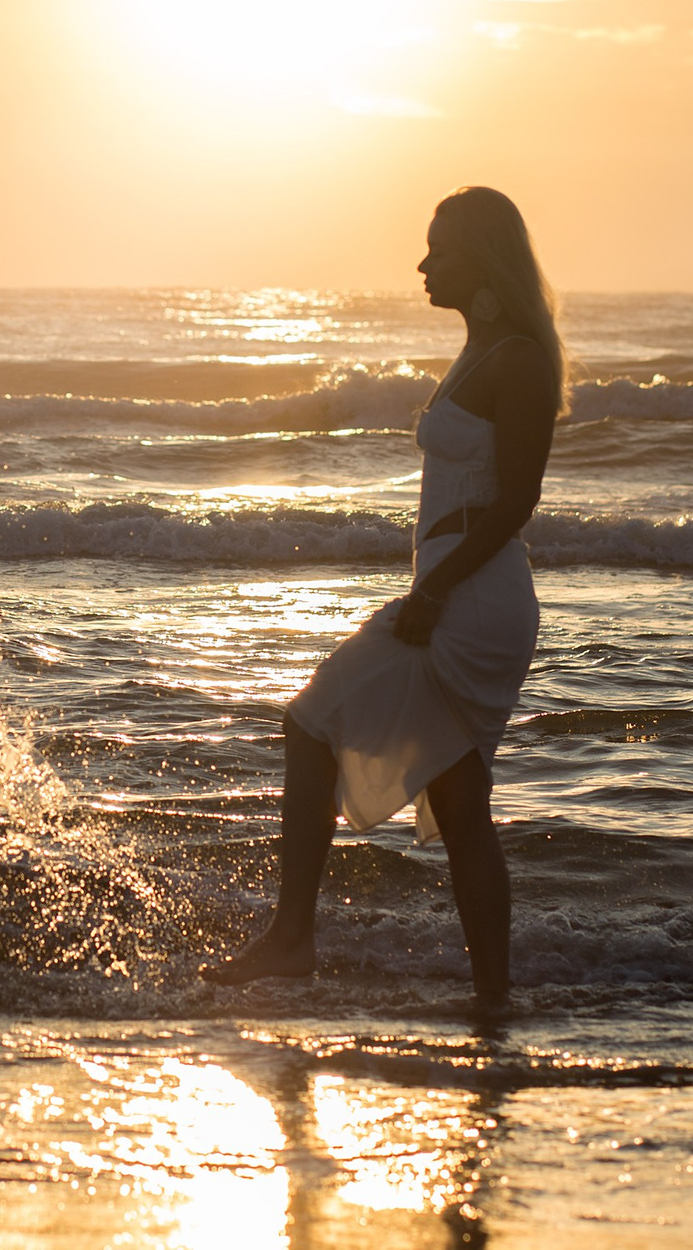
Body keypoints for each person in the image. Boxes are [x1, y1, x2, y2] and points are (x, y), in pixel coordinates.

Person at [204, 185, 564, 1004]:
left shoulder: (518, 357)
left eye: (440, 247)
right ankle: (493, 1000)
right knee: (462, 807)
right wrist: (432, 584)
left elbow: (517, 499)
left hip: (474, 600)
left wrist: (434, 591)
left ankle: (292, 936)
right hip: (456, 589)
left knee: (310, 720)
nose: (423, 263)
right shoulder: (481, 349)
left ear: (482, 255)